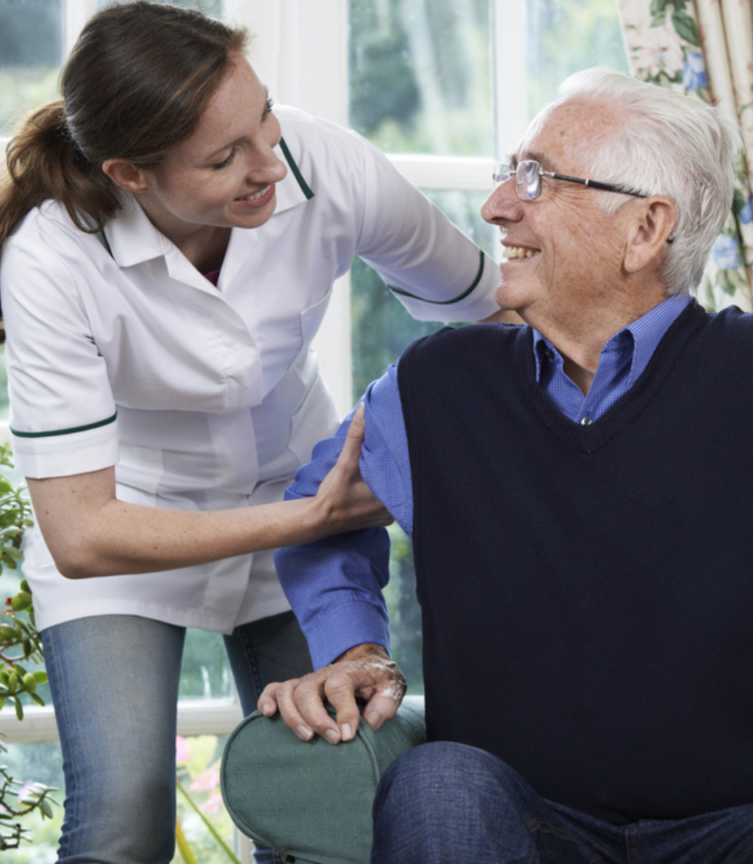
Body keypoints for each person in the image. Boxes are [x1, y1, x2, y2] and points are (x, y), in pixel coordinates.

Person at [260, 68, 753, 862]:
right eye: (506, 174)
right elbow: (317, 511)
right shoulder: (432, 387)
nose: (495, 207)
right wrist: (355, 648)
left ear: (646, 229)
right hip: (529, 833)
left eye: (536, 179)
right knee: (438, 780)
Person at [0, 2, 502, 861]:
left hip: (294, 487)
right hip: (130, 522)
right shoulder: (53, 258)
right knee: (123, 814)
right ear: (131, 173)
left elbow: (493, 312)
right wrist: (312, 518)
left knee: (321, 798)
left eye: (263, 118)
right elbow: (82, 536)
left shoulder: (323, 164)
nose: (270, 164)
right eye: (223, 158)